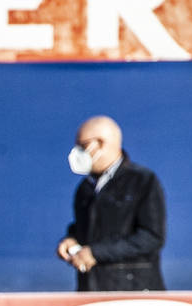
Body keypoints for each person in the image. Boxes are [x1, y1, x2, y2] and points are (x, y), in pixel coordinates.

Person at [56, 115, 166, 292]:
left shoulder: (142, 181)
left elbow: (151, 237)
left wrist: (96, 253)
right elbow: (86, 228)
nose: (77, 153)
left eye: (82, 146)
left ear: (100, 143)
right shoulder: (85, 188)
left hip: (134, 293)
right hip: (92, 292)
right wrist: (72, 240)